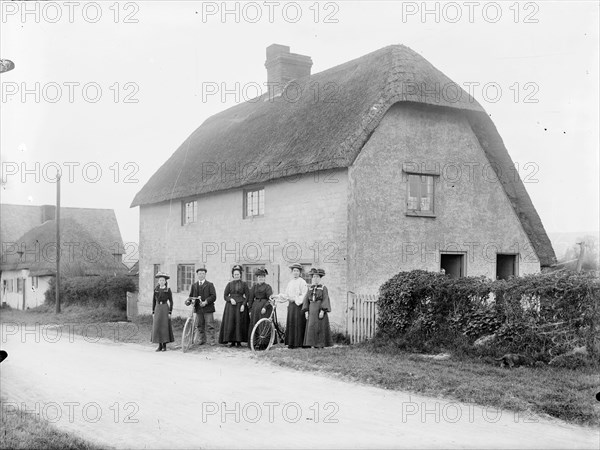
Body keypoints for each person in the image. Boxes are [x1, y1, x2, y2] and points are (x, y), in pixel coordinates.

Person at [219, 264, 250, 347]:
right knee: (231, 323)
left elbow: (247, 296)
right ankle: (232, 341)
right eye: (235, 274)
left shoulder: (244, 284)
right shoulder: (229, 284)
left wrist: (244, 305)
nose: (236, 276)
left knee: (239, 323)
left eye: (238, 274)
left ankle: (239, 342)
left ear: (240, 275)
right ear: (233, 275)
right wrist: (230, 299)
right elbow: (225, 296)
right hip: (231, 307)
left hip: (240, 306)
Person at [302, 268, 332, 348]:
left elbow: (325, 299)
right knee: (312, 326)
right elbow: (306, 300)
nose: (315, 279)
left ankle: (320, 344)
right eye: (314, 277)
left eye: (317, 277)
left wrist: (322, 310)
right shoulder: (310, 288)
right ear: (312, 278)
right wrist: (306, 311)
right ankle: (312, 344)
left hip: (319, 309)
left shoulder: (323, 288)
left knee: (320, 327)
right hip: (311, 310)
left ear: (320, 278)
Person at [188, 265, 217, 345]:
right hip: (198, 309)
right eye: (199, 273)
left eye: (203, 273)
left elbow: (213, 296)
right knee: (199, 325)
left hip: (208, 308)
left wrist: (206, 302)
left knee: (210, 325)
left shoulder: (210, 284)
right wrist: (190, 301)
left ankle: (212, 340)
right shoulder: (194, 285)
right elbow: (191, 296)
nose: (201, 275)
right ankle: (202, 340)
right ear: (197, 275)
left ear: (205, 275)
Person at [282, 263, 308, 349]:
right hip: (291, 306)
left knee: (299, 323)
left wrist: (296, 299)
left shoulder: (302, 282)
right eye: (294, 271)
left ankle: (299, 343)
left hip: (299, 306)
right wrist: (280, 297)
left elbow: (304, 295)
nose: (295, 272)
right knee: (291, 322)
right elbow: (286, 294)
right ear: (292, 272)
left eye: (297, 271)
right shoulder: (290, 282)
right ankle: (291, 343)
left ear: (300, 272)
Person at [247, 268, 273, 346]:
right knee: (254, 324)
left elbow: (270, 299)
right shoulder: (254, 287)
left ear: (264, 278)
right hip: (255, 309)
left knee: (263, 324)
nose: (261, 279)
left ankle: (263, 344)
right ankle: (254, 343)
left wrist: (265, 307)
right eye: (259, 277)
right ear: (257, 278)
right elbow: (250, 299)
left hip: (265, 309)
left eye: (262, 277)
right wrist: (250, 310)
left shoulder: (268, 287)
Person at [151, 272, 174, 351]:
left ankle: (164, 346)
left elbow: (171, 301)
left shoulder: (168, 290)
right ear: (158, 281)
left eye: (163, 280)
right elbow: (153, 301)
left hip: (165, 308)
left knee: (164, 326)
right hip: (157, 308)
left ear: (165, 281)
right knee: (157, 326)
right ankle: (159, 345)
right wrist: (153, 312)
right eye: (160, 280)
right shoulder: (156, 290)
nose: (161, 282)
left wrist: (170, 312)